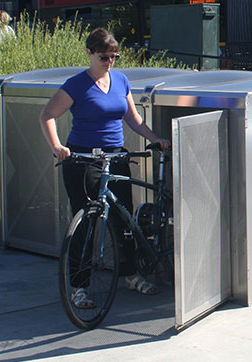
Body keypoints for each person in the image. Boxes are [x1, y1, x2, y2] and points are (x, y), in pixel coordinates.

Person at [39, 27, 170, 309]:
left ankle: (130, 275)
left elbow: (133, 118)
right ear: (89, 53)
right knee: (85, 222)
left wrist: (154, 138)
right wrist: (57, 147)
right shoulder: (76, 85)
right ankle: (80, 287)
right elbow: (47, 115)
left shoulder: (121, 81)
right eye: (103, 57)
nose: (109, 62)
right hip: (84, 159)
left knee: (123, 220)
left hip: (116, 157)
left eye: (114, 56)